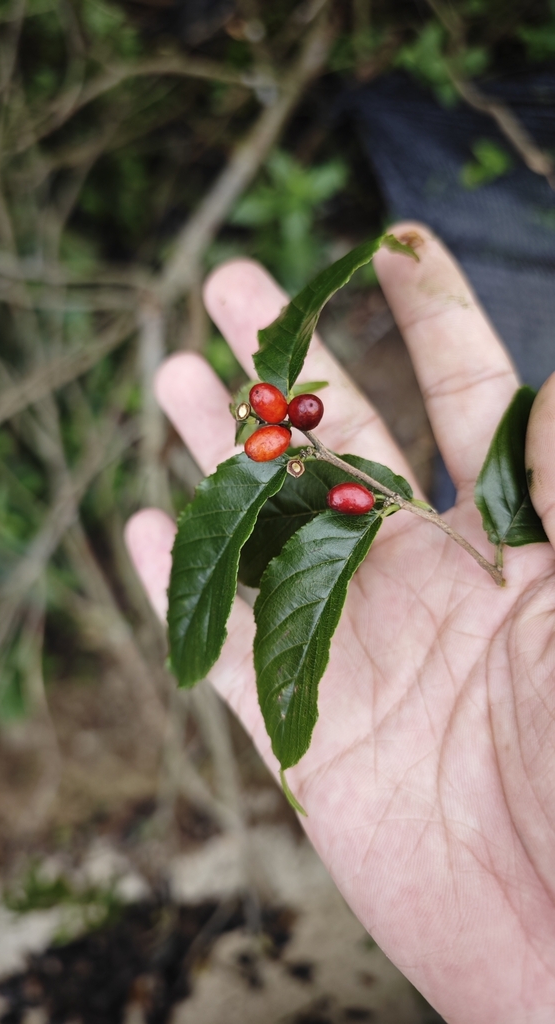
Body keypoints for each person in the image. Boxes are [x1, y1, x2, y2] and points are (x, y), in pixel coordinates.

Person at [125, 223, 555, 1023]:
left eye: (276, 414)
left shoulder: (301, 439)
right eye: (275, 416)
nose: (272, 410)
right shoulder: (294, 444)